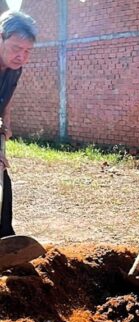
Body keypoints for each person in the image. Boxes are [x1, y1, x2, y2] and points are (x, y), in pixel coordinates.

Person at [0, 10, 37, 237]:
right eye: (16, 48)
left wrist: (7, 123)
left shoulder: (15, 69)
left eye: (27, 51)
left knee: (4, 185)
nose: (22, 57)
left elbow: (6, 101)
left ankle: (6, 243)